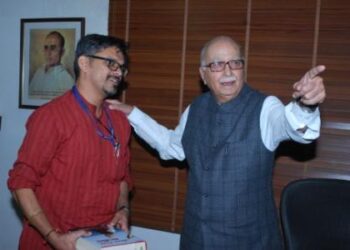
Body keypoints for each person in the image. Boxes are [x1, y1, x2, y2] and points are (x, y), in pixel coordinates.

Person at [108, 36, 326, 250]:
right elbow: (172, 147)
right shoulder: (195, 109)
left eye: (235, 63)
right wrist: (133, 114)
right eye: (217, 65)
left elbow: (294, 128)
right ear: (203, 74)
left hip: (250, 241)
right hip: (196, 238)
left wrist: (306, 106)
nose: (228, 71)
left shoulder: (266, 107)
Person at [8, 34, 132, 250]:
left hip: (101, 242)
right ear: (84, 63)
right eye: (111, 64)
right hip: (52, 242)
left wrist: (122, 209)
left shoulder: (120, 121)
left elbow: (122, 178)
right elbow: (21, 183)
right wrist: (54, 237)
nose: (119, 73)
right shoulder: (51, 117)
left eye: (122, 67)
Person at [29, 31, 75, 99]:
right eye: (46, 48)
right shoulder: (39, 72)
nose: (48, 53)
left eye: (53, 48)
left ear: (62, 52)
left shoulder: (67, 80)